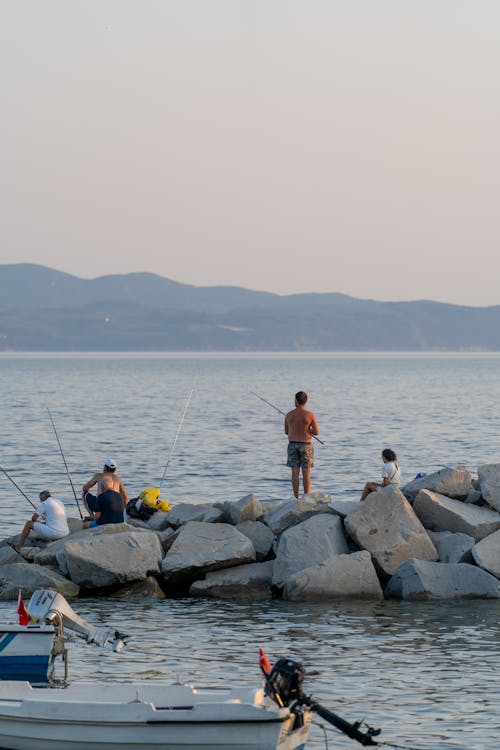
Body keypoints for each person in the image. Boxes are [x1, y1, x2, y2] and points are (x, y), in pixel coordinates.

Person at [284, 391, 319, 500]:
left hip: (292, 444)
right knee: (306, 472)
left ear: (296, 401)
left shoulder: (289, 415)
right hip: (306, 445)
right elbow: (316, 432)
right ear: (305, 401)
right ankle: (306, 497)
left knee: (295, 472)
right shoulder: (310, 415)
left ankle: (295, 498)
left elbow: (286, 432)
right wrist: (309, 430)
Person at [82, 458, 129, 528]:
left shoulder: (98, 476)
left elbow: (85, 488)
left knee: (84, 494)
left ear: (104, 467)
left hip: (100, 506)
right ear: (115, 469)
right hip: (115, 509)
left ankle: (92, 517)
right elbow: (125, 498)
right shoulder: (118, 479)